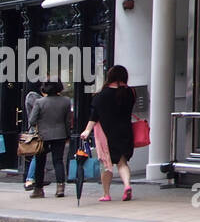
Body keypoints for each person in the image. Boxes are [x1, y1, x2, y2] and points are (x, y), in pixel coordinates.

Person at [81, 65, 136, 202]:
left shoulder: (102, 95)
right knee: (122, 162)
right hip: (125, 131)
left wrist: (87, 130)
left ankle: (106, 194)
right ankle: (127, 185)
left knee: (106, 164)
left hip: (107, 133)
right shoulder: (130, 93)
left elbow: (94, 116)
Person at [28, 82, 73, 198]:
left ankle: (38, 189)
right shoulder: (66, 101)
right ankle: (60, 188)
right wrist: (68, 134)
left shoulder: (39, 102)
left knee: (40, 162)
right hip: (60, 134)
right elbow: (68, 120)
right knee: (58, 161)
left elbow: (32, 121)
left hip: (42, 135)